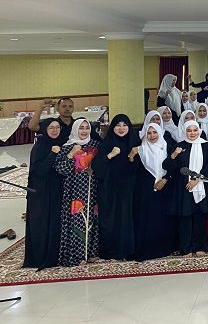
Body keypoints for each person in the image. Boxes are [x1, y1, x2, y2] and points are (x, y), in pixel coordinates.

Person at [163, 121, 208, 257]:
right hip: (183, 187)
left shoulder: (206, 145)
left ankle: (200, 246)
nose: (192, 133)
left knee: (199, 217)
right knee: (185, 218)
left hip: (200, 185)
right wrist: (174, 155)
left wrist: (197, 180)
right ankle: (186, 248)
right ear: (185, 131)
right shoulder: (180, 145)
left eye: (195, 130)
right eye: (189, 130)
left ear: (199, 131)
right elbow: (168, 166)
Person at [55, 118, 101, 266]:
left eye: (87, 128)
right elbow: (61, 169)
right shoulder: (67, 147)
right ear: (75, 129)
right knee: (77, 220)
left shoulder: (95, 145)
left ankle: (91, 253)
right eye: (81, 128)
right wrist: (71, 153)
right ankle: (77, 255)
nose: (84, 131)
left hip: (92, 189)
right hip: (74, 190)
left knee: (92, 219)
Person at [92, 114, 138, 260]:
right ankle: (111, 251)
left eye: (125, 125)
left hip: (129, 189)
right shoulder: (106, 144)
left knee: (127, 218)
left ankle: (128, 250)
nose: (121, 128)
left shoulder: (134, 143)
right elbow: (97, 167)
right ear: (112, 127)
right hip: (109, 189)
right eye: (118, 125)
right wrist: (110, 155)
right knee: (111, 219)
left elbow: (139, 168)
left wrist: (131, 157)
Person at [23, 120, 65, 269]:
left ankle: (55, 254)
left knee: (55, 221)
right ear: (45, 129)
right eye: (51, 128)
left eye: (57, 127)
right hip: (41, 192)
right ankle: (41, 256)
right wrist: (52, 154)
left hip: (55, 189)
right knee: (42, 223)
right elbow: (39, 171)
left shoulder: (62, 143)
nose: (55, 130)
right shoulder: (40, 146)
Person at [132, 122, 174, 261]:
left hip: (164, 188)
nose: (152, 135)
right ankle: (147, 249)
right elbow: (134, 171)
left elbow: (173, 167)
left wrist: (164, 180)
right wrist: (131, 156)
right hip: (145, 191)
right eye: (149, 133)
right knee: (147, 219)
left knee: (162, 218)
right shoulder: (140, 150)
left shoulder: (167, 147)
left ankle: (163, 248)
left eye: (155, 132)